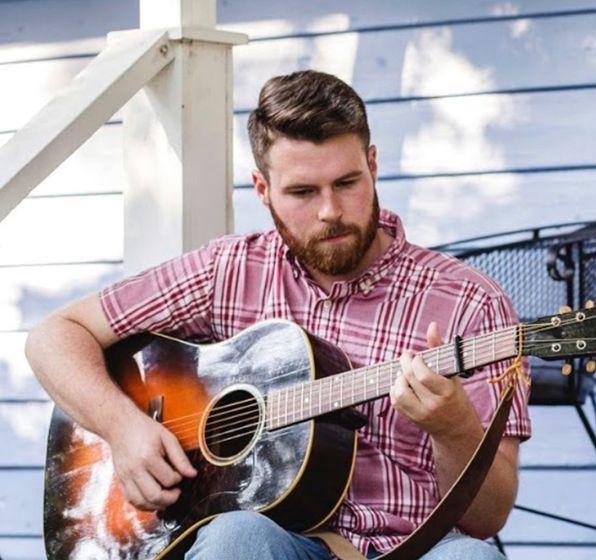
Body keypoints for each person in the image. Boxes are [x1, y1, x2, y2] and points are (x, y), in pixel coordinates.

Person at [25, 70, 528, 560]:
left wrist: (454, 427)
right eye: (303, 192)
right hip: (276, 540)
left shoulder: (468, 301)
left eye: (347, 182)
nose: (330, 210)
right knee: (236, 538)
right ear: (262, 189)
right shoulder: (229, 269)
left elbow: (488, 519)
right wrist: (123, 428)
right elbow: (54, 337)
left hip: (418, 544)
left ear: (373, 166)